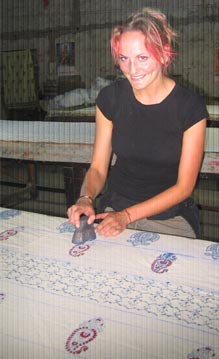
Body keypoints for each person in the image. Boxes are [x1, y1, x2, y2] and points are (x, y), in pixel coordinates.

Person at [67, 7, 208, 238]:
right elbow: (98, 168)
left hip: (169, 215)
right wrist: (85, 198)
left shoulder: (189, 107)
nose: (132, 70)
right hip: (115, 208)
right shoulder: (110, 99)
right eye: (124, 59)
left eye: (142, 57)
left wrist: (128, 216)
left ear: (164, 54)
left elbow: (184, 187)